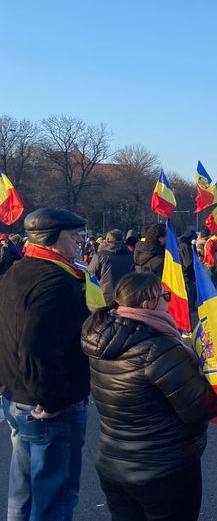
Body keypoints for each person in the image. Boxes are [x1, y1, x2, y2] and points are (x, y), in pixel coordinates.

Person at [81, 271, 217, 520]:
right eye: (165, 296)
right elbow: (200, 408)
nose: (169, 301)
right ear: (148, 304)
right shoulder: (160, 348)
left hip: (113, 464)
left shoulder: (101, 337)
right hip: (163, 469)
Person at [0, 208, 90, 520]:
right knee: (55, 495)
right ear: (52, 238)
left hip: (17, 394)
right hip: (48, 404)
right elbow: (36, 346)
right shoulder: (56, 281)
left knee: (22, 490)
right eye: (73, 235)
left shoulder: (16, 272)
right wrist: (52, 400)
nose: (79, 241)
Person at [88, 229, 135, 307]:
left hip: (106, 298)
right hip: (127, 296)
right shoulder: (132, 255)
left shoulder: (100, 256)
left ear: (107, 239)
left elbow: (90, 275)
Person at [178, 231, 198, 312]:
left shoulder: (182, 245)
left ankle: (189, 306)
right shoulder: (185, 246)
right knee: (190, 290)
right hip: (187, 273)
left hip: (184, 272)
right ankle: (190, 306)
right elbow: (188, 261)